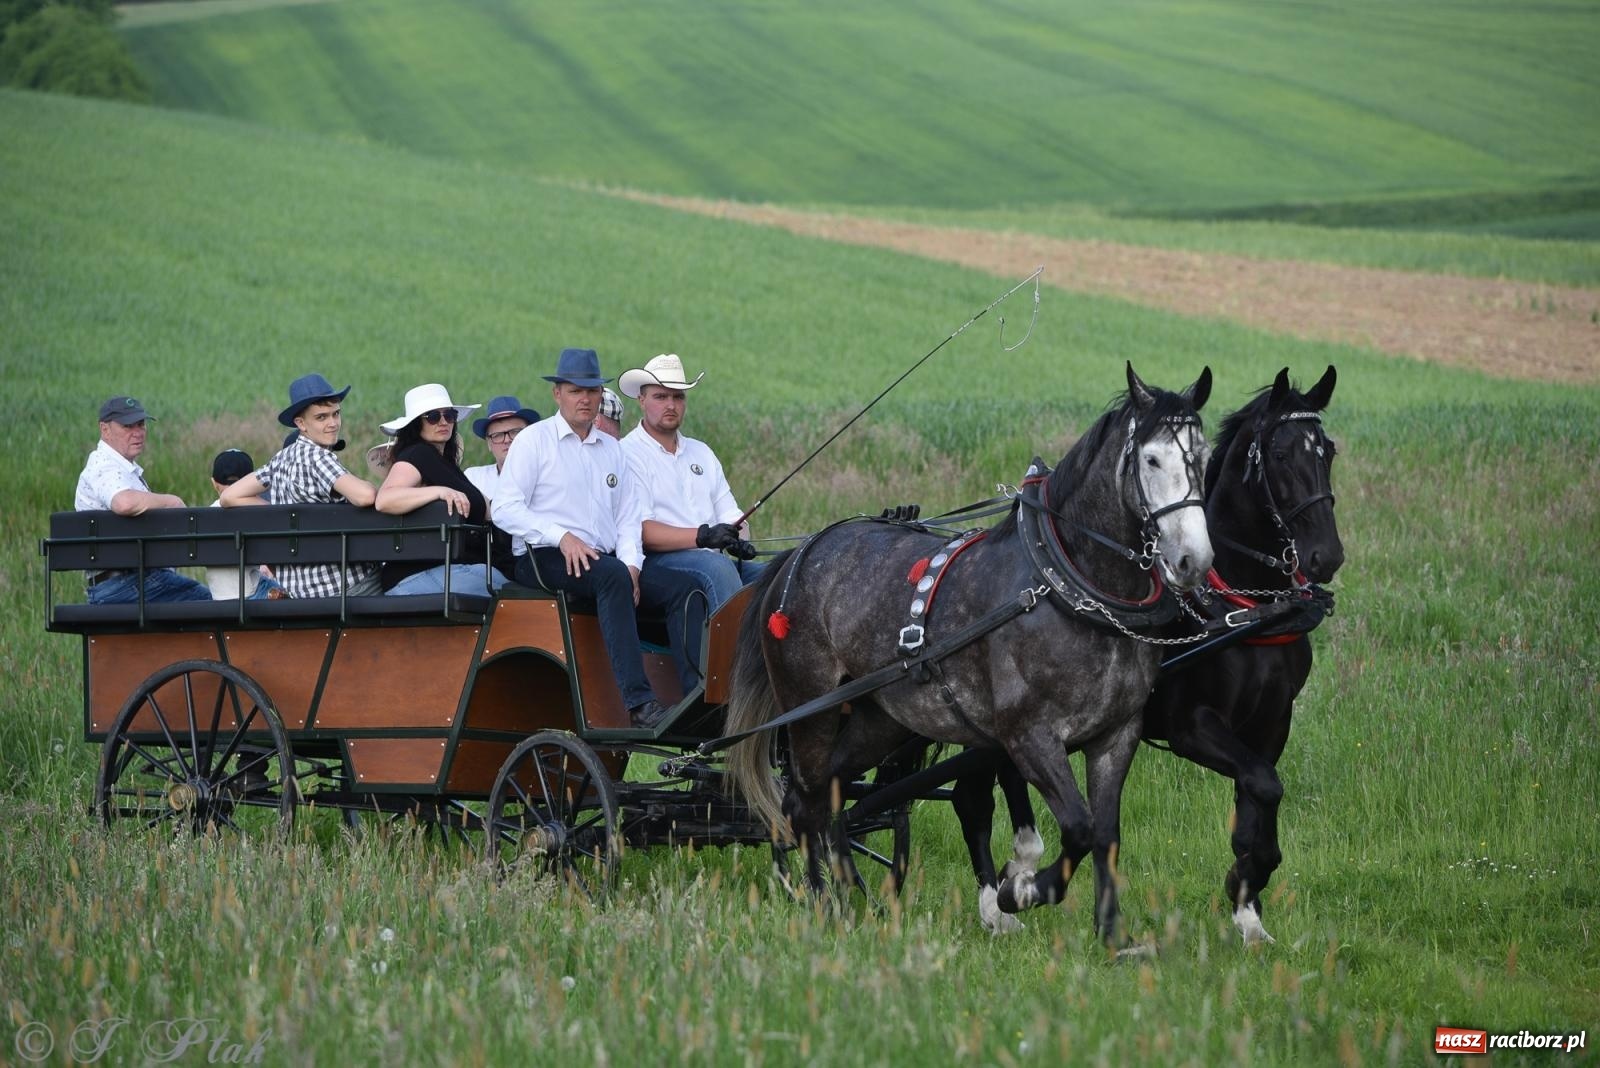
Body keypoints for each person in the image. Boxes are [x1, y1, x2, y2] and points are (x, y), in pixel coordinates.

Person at [491, 348, 699, 728]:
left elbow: (628, 517)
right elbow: (505, 509)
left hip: (603, 558)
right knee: (610, 576)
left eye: (592, 391)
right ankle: (639, 704)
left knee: (684, 588)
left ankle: (695, 699)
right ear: (557, 394)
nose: (584, 399)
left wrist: (634, 565)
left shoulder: (612, 451)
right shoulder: (535, 441)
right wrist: (561, 537)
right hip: (543, 555)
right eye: (574, 391)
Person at [619, 353, 760, 656]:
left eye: (678, 397)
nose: (670, 405)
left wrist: (740, 539)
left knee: (776, 574)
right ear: (641, 400)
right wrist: (703, 536)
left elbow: (730, 512)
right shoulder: (627, 455)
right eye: (660, 396)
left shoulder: (702, 453)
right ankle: (733, 676)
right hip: (655, 562)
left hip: (711, 556)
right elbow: (642, 531)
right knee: (717, 567)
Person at [220, 373, 382, 598]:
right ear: (301, 423)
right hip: (344, 586)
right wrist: (369, 483)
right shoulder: (318, 458)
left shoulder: (281, 459)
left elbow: (229, 496)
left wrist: (281, 513)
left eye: (336, 414)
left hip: (299, 592)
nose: (333, 423)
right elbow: (365, 496)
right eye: (321, 417)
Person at [374, 383, 511, 595]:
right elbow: (385, 499)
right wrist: (438, 491)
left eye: (449, 415)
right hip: (417, 574)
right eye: (433, 417)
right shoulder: (417, 454)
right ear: (415, 424)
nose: (444, 422)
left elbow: (491, 511)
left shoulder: (446, 465)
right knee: (510, 591)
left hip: (452, 569)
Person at [74, 395, 212, 604]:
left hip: (130, 583)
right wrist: (171, 501)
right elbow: (124, 503)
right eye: (128, 426)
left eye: (141, 424)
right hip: (125, 585)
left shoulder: (120, 469)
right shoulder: (104, 466)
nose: (137, 432)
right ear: (105, 429)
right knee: (218, 607)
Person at [205, 449, 285, 600]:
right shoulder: (254, 511)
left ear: (214, 483)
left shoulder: (206, 516)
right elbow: (271, 557)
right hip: (252, 592)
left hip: (219, 597)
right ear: (250, 483)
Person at [464, 394, 540, 503]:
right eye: (498, 435)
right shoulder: (474, 478)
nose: (507, 440)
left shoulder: (546, 475)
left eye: (515, 432)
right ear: (489, 444)